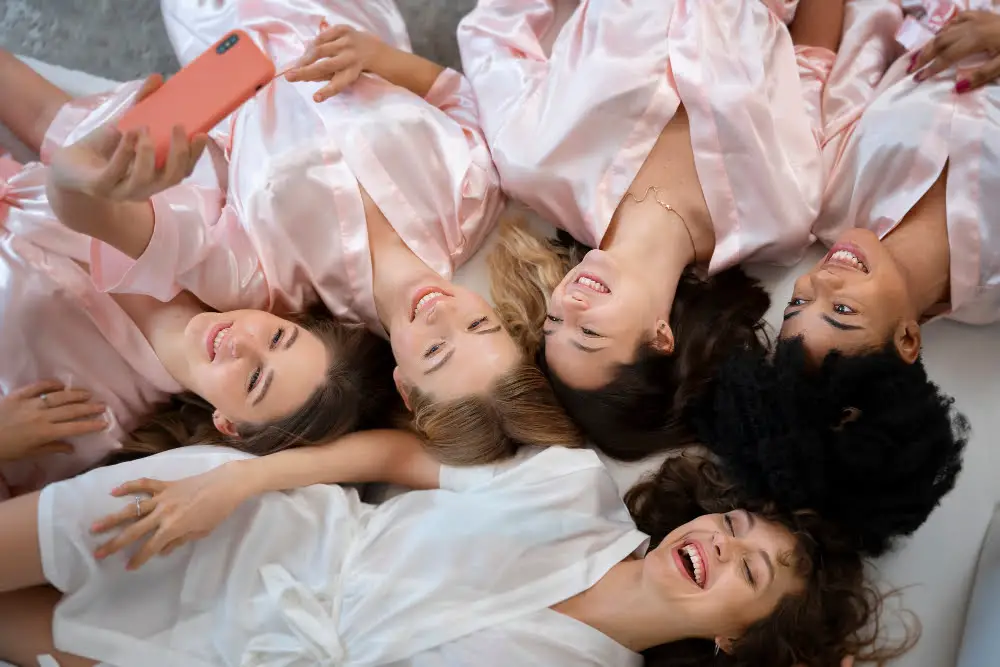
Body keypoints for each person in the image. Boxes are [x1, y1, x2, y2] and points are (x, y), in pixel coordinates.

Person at [44, 0, 581, 466]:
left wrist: (78, 181)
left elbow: (122, 228)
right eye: (479, 325)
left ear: (406, 387)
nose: (443, 313)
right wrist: (379, 58)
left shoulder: (270, 287)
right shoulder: (475, 201)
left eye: (437, 349)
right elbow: (454, 95)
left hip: (221, 24)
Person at [0, 431, 908, 667]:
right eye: (738, 523)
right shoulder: (573, 486)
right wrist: (240, 481)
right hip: (254, 534)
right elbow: (398, 456)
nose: (719, 538)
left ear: (738, 641)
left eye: (749, 570)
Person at [464, 0, 844, 460]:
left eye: (555, 322)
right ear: (660, 337)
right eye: (588, 334)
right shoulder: (781, 218)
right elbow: (811, 64)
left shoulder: (535, 168)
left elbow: (493, 34)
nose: (569, 303)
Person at [691, 1, 983, 556]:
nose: (815, 285)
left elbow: (823, 49)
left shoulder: (825, 194)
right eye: (842, 314)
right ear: (907, 339)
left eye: (794, 310)